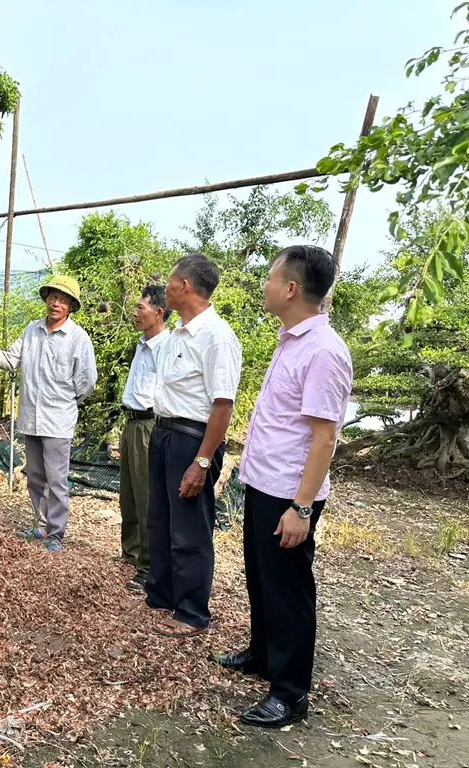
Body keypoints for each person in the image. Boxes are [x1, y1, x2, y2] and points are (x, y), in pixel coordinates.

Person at [210, 245, 352, 728]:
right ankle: (262, 655)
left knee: (289, 590)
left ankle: (290, 693)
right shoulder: (290, 340)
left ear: (291, 288)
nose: (265, 284)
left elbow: (324, 438)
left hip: (291, 494)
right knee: (262, 580)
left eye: (271, 277)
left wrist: (302, 508)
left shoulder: (324, 351)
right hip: (263, 483)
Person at [0, 275, 98, 552]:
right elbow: (12, 359)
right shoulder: (32, 331)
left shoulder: (78, 338)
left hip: (58, 420)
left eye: (62, 299)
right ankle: (40, 524)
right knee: (35, 474)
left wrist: (66, 402)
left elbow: (86, 382)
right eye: (52, 297)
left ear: (71, 306)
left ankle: (56, 534)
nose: (55, 303)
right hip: (31, 418)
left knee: (57, 479)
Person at [146, 253, 242, 638]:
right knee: (162, 519)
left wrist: (202, 461)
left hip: (192, 438)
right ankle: (162, 593)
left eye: (169, 282)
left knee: (189, 526)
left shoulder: (217, 336)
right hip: (164, 431)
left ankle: (191, 611)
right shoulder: (174, 336)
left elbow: (223, 405)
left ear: (184, 286)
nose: (164, 289)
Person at [119, 285, 171, 592]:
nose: (135, 312)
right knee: (129, 491)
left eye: (141, 308)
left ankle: (149, 564)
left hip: (150, 424)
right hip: (131, 421)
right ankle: (131, 552)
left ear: (159, 312)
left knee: (147, 494)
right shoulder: (142, 343)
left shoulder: (166, 346)